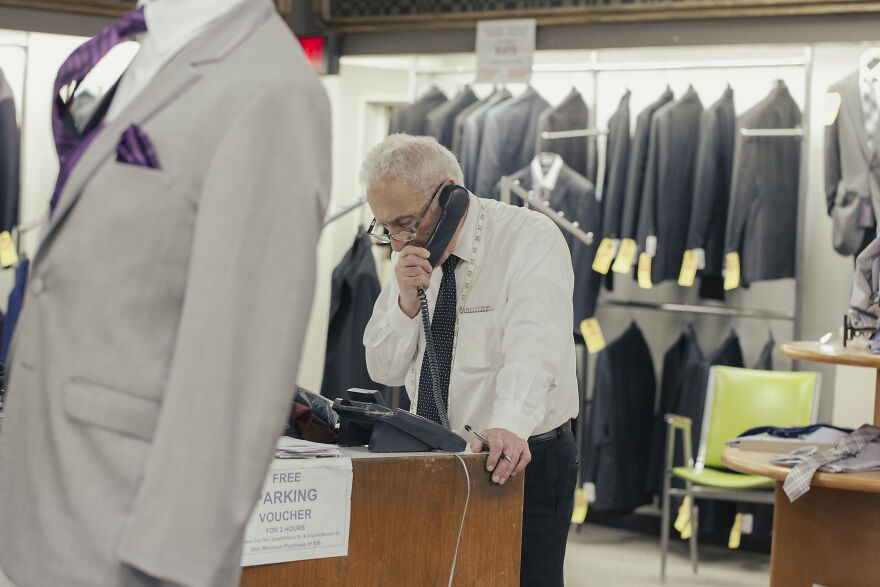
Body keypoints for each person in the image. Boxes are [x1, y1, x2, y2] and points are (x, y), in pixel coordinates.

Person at [0, 1, 330, 586]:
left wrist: (169, 571)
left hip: (120, 537)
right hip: (44, 515)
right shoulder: (142, 54)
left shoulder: (272, 90)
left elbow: (239, 371)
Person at [362, 134, 579, 586]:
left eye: (405, 223)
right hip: (435, 457)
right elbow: (383, 369)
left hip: (518, 458)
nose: (398, 243)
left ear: (450, 195)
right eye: (386, 228)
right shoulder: (410, 259)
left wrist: (510, 423)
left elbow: (536, 347)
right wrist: (404, 302)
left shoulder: (529, 239)